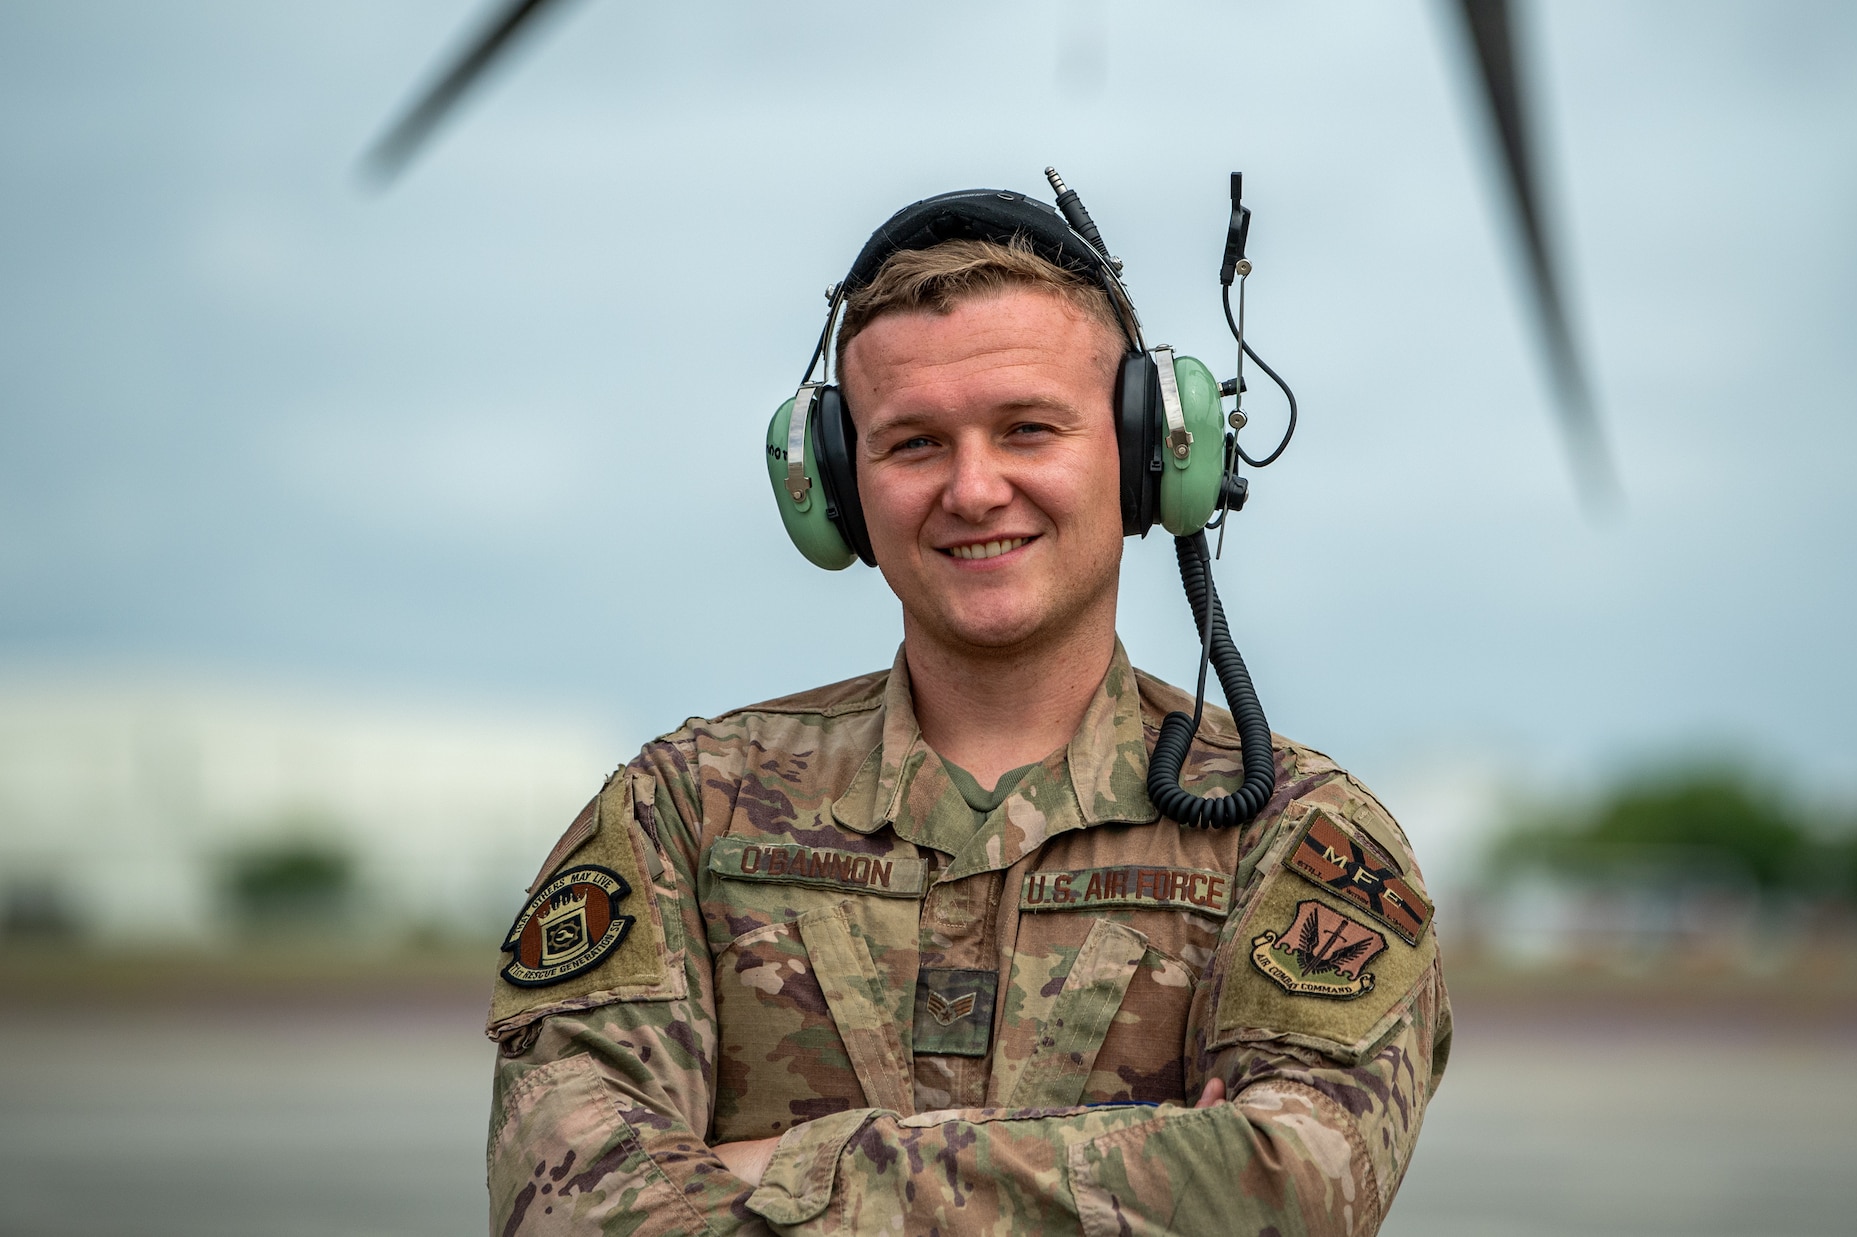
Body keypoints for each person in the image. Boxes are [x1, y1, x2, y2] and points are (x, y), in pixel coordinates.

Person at [484, 188, 1451, 1236]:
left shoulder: (1297, 834)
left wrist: (794, 1171)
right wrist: (1152, 1171)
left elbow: (1289, 1188)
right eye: (911, 445)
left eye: (1027, 428)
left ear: (1148, 459)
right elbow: (569, 1205)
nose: (973, 488)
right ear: (836, 487)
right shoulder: (684, 809)